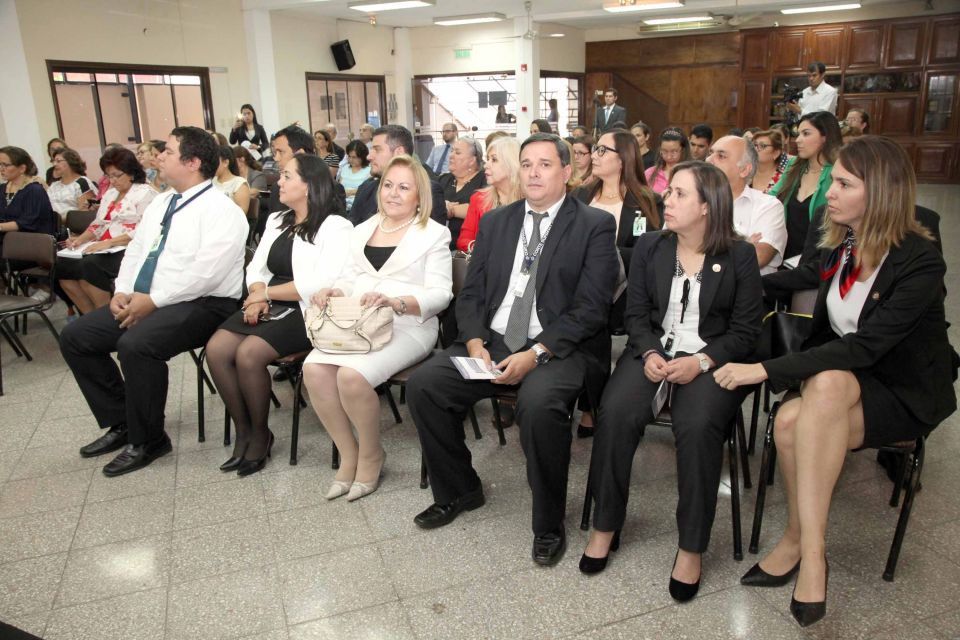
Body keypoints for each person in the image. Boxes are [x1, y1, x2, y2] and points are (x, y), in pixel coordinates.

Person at [714, 136, 956, 627]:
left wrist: (765, 370)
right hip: (842, 378)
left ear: (881, 191)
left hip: (900, 386)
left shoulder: (919, 260)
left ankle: (810, 553)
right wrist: (737, 279)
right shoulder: (840, 243)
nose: (829, 193)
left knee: (819, 390)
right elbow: (803, 286)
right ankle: (798, 539)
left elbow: (866, 348)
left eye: (844, 184)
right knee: (788, 422)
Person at [406, 133, 619, 567]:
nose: (534, 173)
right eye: (526, 164)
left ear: (567, 171)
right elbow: (472, 293)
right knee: (426, 385)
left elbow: (591, 309)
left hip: (559, 346)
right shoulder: (498, 221)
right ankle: (460, 489)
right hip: (493, 340)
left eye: (545, 164)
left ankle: (549, 523)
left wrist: (536, 353)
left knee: (538, 407)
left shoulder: (593, 224)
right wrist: (474, 341)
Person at [581, 161, 763, 602]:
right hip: (654, 352)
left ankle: (691, 546)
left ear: (707, 206)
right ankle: (605, 523)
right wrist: (649, 352)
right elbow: (635, 315)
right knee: (616, 413)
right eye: (670, 191)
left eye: (681, 194)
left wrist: (701, 361)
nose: (668, 199)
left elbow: (746, 331)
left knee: (697, 427)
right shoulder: (651, 246)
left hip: (711, 360)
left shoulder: (739, 256)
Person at [59, 126, 248, 477]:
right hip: (148, 298)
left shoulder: (222, 210)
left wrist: (154, 301)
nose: (159, 156)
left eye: (169, 151)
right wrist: (122, 292)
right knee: (76, 337)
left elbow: (205, 275)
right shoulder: (162, 202)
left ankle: (149, 440)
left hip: (205, 304)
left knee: (136, 345)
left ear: (192, 162)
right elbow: (136, 252)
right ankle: (123, 422)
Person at [304, 155, 453, 501]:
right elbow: (349, 278)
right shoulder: (361, 229)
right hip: (359, 322)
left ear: (420, 196)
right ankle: (349, 453)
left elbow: (441, 294)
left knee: (350, 376)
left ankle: (371, 455)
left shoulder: (434, 234)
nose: (393, 193)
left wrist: (396, 301)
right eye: (388, 185)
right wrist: (335, 291)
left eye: (404, 187)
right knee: (313, 370)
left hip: (409, 323)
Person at [206, 154, 352, 476]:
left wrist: (266, 295)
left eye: (287, 176)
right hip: (267, 299)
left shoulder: (335, 226)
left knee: (248, 354)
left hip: (308, 309)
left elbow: (320, 282)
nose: (279, 182)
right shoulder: (276, 220)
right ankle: (244, 430)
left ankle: (260, 435)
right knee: (216, 350)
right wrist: (257, 295)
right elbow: (256, 266)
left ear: (309, 185)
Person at [571, 129, 662, 438]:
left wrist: (602, 254)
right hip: (581, 285)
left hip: (627, 290)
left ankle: (592, 405)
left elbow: (648, 252)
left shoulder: (646, 201)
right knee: (584, 316)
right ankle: (583, 399)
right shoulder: (581, 196)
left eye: (601, 150)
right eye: (594, 149)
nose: (594, 155)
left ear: (623, 158)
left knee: (592, 321)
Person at [58, 147, 158, 314]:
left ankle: (104, 313)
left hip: (127, 247)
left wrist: (109, 243)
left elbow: (144, 231)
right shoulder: (110, 194)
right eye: (109, 176)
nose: (112, 180)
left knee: (90, 265)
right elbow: (98, 224)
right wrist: (80, 239)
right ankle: (88, 315)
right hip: (103, 246)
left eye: (117, 175)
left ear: (131, 173)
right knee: (64, 265)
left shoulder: (146, 194)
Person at [707, 135, 787, 275]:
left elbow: (758, 257)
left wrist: (700, 249)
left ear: (744, 170)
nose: (708, 160)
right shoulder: (691, 201)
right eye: (710, 153)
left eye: (721, 156)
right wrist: (743, 247)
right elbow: (672, 249)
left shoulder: (768, 206)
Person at [770, 111, 842, 262]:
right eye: (798, 134)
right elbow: (771, 198)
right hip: (786, 255)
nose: (798, 140)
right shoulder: (794, 165)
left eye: (806, 134)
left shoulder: (838, 172)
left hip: (820, 257)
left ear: (825, 137)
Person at [349, 125, 446, 227]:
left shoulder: (427, 190)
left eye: (377, 150)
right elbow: (352, 230)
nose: (369, 157)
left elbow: (431, 233)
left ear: (399, 153)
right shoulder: (366, 188)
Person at [456, 135, 522, 253]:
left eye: (494, 160)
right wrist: (479, 248)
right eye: (488, 159)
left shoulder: (531, 201)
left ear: (511, 164)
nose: (486, 165)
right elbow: (463, 240)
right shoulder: (478, 199)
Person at [440, 137, 487, 249]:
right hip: (440, 247)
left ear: (472, 160)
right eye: (452, 151)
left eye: (457, 152)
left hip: (469, 249)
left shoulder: (485, 179)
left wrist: (449, 210)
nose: (451, 155)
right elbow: (428, 204)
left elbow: (483, 209)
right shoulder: (443, 179)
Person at [0, 146, 57, 237]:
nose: (1, 169)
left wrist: (1, 227)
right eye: (0, 164)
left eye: (6, 165)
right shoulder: (2, 188)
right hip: (7, 239)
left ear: (22, 168)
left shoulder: (34, 190)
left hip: (30, 240)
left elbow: (27, 223)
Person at [47, 148, 97, 219]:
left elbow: (85, 214)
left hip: (73, 224)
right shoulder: (53, 186)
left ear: (70, 161)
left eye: (58, 161)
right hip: (52, 223)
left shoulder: (82, 182)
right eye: (53, 161)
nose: (54, 164)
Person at [645, 128, 691, 195]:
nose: (669, 156)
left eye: (674, 151)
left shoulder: (690, 174)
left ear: (682, 150)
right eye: (665, 151)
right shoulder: (649, 173)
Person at [213, 145, 252, 215]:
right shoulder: (212, 181)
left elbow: (241, 215)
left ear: (226, 163)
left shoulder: (239, 184)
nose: (211, 164)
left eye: (214, 161)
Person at [338, 140, 372, 211]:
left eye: (354, 157)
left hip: (359, 206)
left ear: (362, 157)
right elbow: (340, 187)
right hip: (342, 204)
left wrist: (349, 192)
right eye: (349, 156)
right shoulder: (345, 168)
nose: (351, 160)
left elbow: (367, 190)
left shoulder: (369, 171)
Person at [751, 129, 787, 194]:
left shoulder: (784, 179)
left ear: (776, 153)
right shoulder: (746, 173)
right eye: (755, 145)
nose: (755, 149)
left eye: (762, 146)